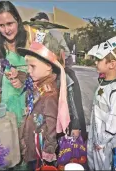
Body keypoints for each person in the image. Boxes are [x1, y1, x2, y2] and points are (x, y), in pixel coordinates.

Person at [30, 12, 87, 141]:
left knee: (68, 100)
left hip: (59, 69)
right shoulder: (39, 34)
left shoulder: (52, 32)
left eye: (38, 23)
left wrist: (76, 126)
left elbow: (64, 53)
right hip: (50, 70)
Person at [17, 33, 69, 170]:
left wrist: (49, 150)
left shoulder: (49, 94)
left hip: (39, 151)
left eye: (32, 67)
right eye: (28, 66)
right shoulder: (37, 85)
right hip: (31, 142)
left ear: (48, 66)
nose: (29, 71)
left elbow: (51, 125)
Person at [87, 35, 116, 170]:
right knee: (92, 162)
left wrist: (103, 141)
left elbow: (115, 120)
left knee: (102, 165)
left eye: (99, 59)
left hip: (104, 143)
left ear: (112, 64)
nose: (96, 62)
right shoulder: (103, 84)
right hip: (95, 136)